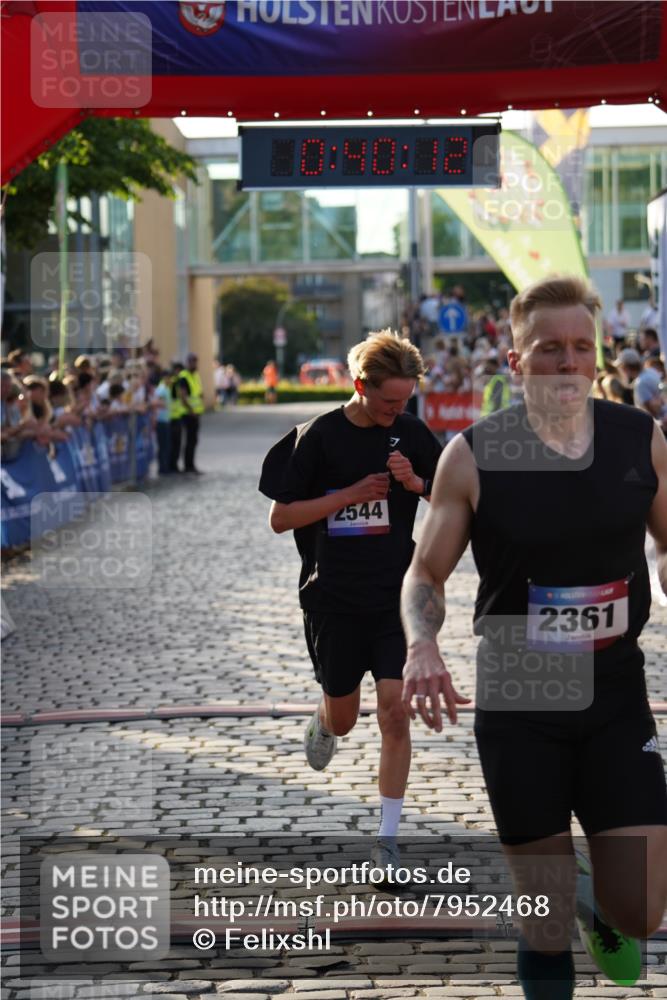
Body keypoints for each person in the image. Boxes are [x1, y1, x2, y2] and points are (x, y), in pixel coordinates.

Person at [400, 275, 667, 999]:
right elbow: (424, 573)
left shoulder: (639, 439)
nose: (567, 362)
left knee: (642, 913)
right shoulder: (473, 455)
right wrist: (421, 643)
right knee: (541, 923)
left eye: (582, 347)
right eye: (548, 349)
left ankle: (596, 901)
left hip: (614, 693)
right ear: (515, 361)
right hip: (520, 697)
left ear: (597, 357)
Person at [259, 330, 442, 874]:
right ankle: (324, 718)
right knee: (345, 718)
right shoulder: (316, 437)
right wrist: (346, 496)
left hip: (394, 595)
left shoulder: (411, 433)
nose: (397, 409)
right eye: (389, 400)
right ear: (360, 385)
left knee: (394, 710)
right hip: (332, 598)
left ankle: (386, 841)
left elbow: (451, 500)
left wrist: (415, 484)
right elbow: (280, 518)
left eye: (405, 399)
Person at [178, 352, 205, 475]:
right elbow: (183, 396)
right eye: (192, 361)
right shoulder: (184, 376)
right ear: (187, 363)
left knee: (193, 441)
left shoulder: (195, 375)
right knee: (189, 441)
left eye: (195, 361)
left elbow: (196, 392)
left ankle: (191, 465)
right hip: (188, 414)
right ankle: (188, 466)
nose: (194, 363)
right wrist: (191, 410)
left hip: (195, 413)